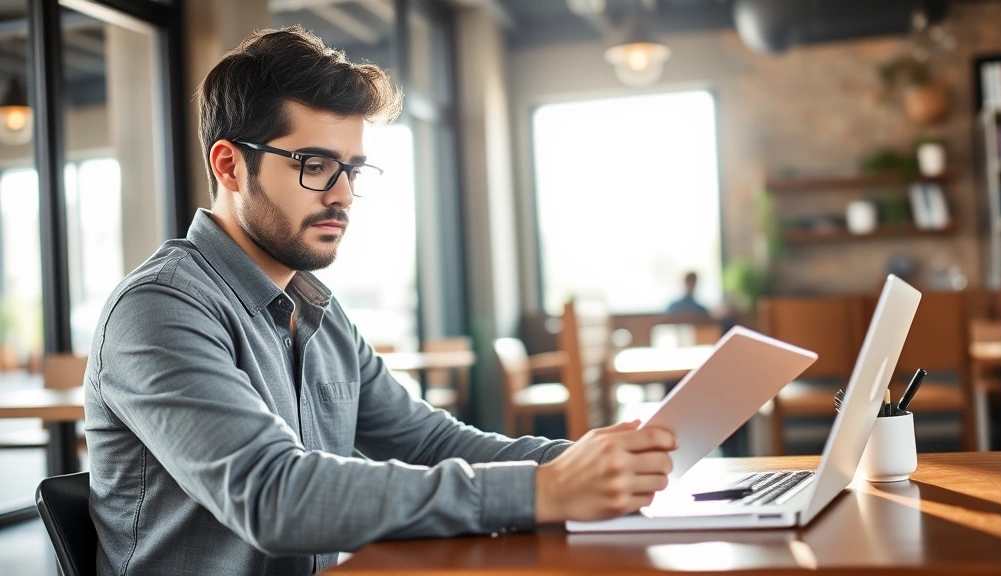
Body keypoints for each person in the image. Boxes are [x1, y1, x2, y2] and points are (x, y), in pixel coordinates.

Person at [84, 27, 676, 576]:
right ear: (230, 165)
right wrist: (542, 491)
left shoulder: (316, 310)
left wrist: (592, 462)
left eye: (352, 169)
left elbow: (429, 443)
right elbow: (269, 495)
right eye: (315, 166)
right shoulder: (159, 309)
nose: (343, 194)